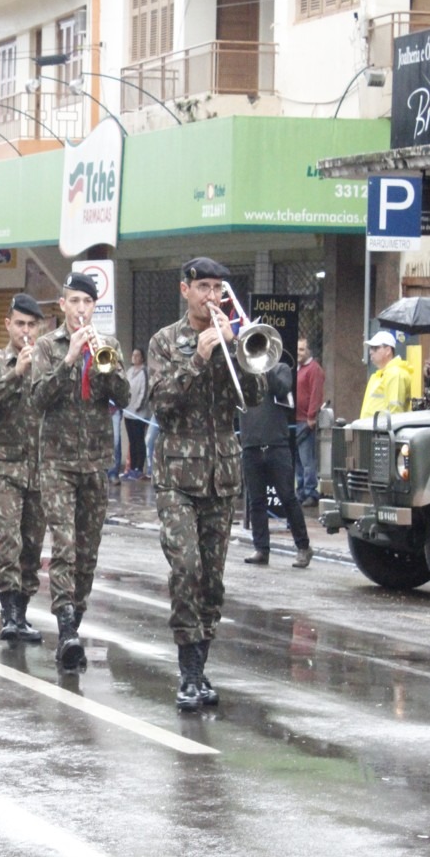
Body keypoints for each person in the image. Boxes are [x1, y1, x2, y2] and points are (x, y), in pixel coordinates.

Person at [148, 258, 264, 712]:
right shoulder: (165, 341)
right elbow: (162, 405)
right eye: (203, 287)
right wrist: (198, 356)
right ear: (185, 289)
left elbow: (251, 400)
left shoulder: (232, 336)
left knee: (213, 580)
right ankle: (188, 673)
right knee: (186, 569)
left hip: (222, 476)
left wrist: (237, 350)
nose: (211, 296)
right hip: (177, 476)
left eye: (218, 287)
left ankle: (201, 666)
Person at [32, 273, 131, 671]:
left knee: (88, 553)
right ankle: (67, 627)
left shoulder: (109, 345)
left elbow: (124, 398)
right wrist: (70, 359)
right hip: (56, 462)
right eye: (74, 301)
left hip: (94, 462)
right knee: (66, 546)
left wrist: (106, 369)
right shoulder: (46, 346)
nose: (80, 309)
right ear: (62, 305)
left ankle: (75, 623)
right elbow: (38, 398)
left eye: (87, 303)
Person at [0, 293, 46, 643]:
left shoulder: (47, 361)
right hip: (5, 464)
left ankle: (23, 607)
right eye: (20, 324)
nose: (26, 331)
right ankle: (10, 613)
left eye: (32, 325)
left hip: (41, 466)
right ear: (8, 325)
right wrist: (16, 373)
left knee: (33, 543)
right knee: (9, 539)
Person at [240, 361, 313, 569]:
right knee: (256, 501)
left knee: (288, 497)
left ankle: (303, 547)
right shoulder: (244, 373)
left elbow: (281, 388)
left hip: (276, 445)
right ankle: (261, 548)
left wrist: (265, 365)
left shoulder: (281, 369)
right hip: (251, 445)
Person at [293, 338, 325, 506]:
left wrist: (311, 416)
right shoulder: (297, 369)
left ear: (309, 351)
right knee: (298, 460)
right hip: (295, 420)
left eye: (302, 349)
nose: (299, 352)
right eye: (297, 349)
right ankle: (300, 492)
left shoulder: (314, 370)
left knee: (307, 460)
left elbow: (316, 393)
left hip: (306, 421)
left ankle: (311, 492)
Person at [360, 330, 413, 418]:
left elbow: (395, 412)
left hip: (381, 430)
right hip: (372, 429)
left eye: (375, 348)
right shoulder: (379, 376)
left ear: (388, 350)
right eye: (371, 348)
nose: (371, 352)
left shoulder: (395, 374)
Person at [123, 349, 149, 479]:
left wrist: (137, 406)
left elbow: (144, 391)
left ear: (142, 358)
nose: (134, 357)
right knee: (132, 441)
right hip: (128, 412)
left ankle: (139, 468)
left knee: (139, 440)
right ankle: (131, 468)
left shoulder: (144, 372)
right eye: (133, 355)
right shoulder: (129, 371)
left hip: (139, 414)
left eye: (137, 355)